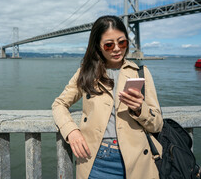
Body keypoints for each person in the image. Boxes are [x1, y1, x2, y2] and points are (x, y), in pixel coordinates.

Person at [52, 15, 163, 179]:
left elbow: (157, 124)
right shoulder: (85, 73)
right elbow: (59, 104)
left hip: (137, 159)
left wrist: (140, 109)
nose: (117, 48)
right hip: (95, 159)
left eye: (122, 42)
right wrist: (71, 131)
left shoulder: (141, 72)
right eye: (109, 45)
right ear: (98, 45)